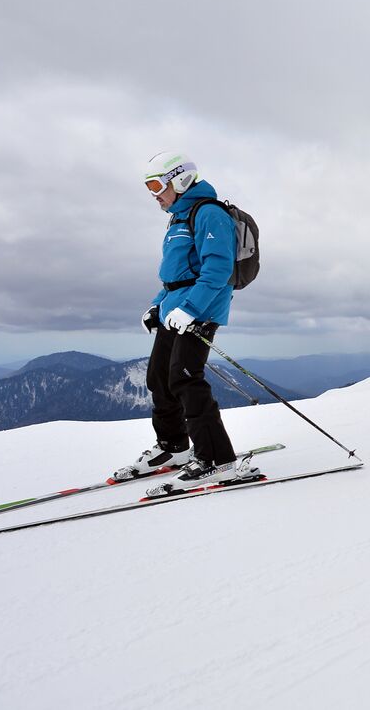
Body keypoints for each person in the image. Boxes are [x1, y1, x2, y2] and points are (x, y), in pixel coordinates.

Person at [115, 151, 256, 489]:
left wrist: (191, 310)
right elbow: (175, 276)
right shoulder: (178, 218)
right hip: (176, 309)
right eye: (148, 187)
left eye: (156, 185)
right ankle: (174, 447)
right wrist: (157, 306)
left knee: (185, 379)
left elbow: (218, 270)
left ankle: (217, 459)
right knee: (160, 378)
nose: (154, 195)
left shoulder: (209, 214)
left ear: (179, 179)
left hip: (200, 310)